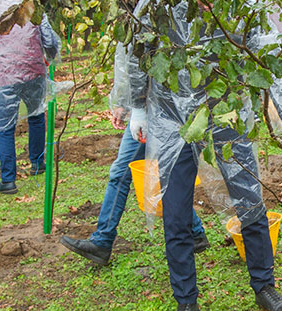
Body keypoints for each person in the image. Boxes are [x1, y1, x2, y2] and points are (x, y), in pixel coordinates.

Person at [127, 0, 282, 311]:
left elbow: (269, 58)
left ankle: (264, 286)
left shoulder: (239, 0)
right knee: (175, 210)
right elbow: (137, 48)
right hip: (172, 116)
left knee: (250, 199)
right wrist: (136, 105)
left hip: (227, 109)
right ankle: (186, 301)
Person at [60, 45, 209, 266]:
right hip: (154, 105)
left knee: (137, 172)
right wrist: (126, 104)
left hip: (159, 107)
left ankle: (102, 241)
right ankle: (195, 232)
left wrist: (136, 109)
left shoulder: (146, 24)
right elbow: (127, 61)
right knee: (159, 172)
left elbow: (136, 59)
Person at [0, 0, 61, 194]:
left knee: (4, 127)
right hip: (33, 72)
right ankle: (38, 163)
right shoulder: (33, 12)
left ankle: (8, 180)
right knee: (36, 116)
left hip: (3, 77)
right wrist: (49, 57)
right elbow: (50, 42)